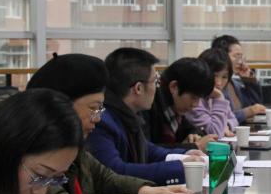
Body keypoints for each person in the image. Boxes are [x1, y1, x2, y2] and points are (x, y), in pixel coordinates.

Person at [7, 54, 196, 194]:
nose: (97, 118)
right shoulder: (27, 139)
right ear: (59, 105)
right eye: (94, 108)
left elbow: (105, 177)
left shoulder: (73, 144)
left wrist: (147, 191)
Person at [87, 48, 203, 185]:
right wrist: (180, 167)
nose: (157, 88)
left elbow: (147, 149)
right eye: (155, 81)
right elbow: (116, 171)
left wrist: (184, 155)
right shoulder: (101, 120)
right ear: (138, 88)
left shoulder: (126, 114)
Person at [144, 57, 218, 151]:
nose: (196, 104)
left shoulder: (175, 109)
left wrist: (194, 135)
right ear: (174, 87)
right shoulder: (148, 106)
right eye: (194, 98)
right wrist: (195, 146)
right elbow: (147, 150)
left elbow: (193, 129)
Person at [211, 34, 267, 124]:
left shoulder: (234, 83)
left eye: (241, 57)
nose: (240, 62)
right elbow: (221, 119)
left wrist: (248, 80)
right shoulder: (215, 85)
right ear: (221, 56)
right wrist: (247, 112)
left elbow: (255, 105)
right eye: (236, 56)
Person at [188, 48, 240, 137]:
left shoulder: (214, 95)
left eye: (224, 77)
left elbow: (234, 120)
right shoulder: (195, 99)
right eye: (214, 76)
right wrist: (219, 97)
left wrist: (226, 125)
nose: (219, 83)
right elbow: (215, 133)